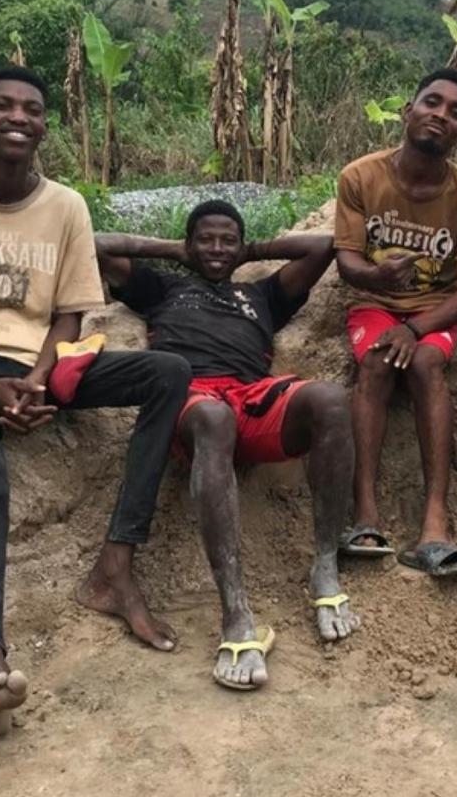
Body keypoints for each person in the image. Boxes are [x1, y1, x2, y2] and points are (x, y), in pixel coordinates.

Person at [0, 66, 192, 735]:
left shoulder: (66, 206)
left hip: (45, 365)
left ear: (45, 124)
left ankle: (116, 565)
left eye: (32, 109)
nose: (18, 117)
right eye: (3, 106)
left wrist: (39, 376)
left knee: (167, 372)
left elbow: (72, 313)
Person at [97, 201, 359, 691]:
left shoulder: (261, 294)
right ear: (189, 243)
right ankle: (235, 614)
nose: (217, 249)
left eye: (227, 240)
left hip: (252, 398)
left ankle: (324, 567)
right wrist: (179, 253)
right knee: (214, 418)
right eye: (206, 239)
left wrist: (250, 252)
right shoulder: (163, 287)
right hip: (189, 399)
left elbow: (325, 245)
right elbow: (98, 245)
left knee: (330, 399)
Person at [334, 69, 457, 575]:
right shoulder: (360, 178)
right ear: (409, 110)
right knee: (379, 364)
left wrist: (418, 326)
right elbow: (347, 263)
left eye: (456, 112)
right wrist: (378, 277)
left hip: (436, 310)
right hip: (373, 302)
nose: (440, 115)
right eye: (432, 102)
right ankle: (364, 515)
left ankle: (434, 525)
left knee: (426, 364)